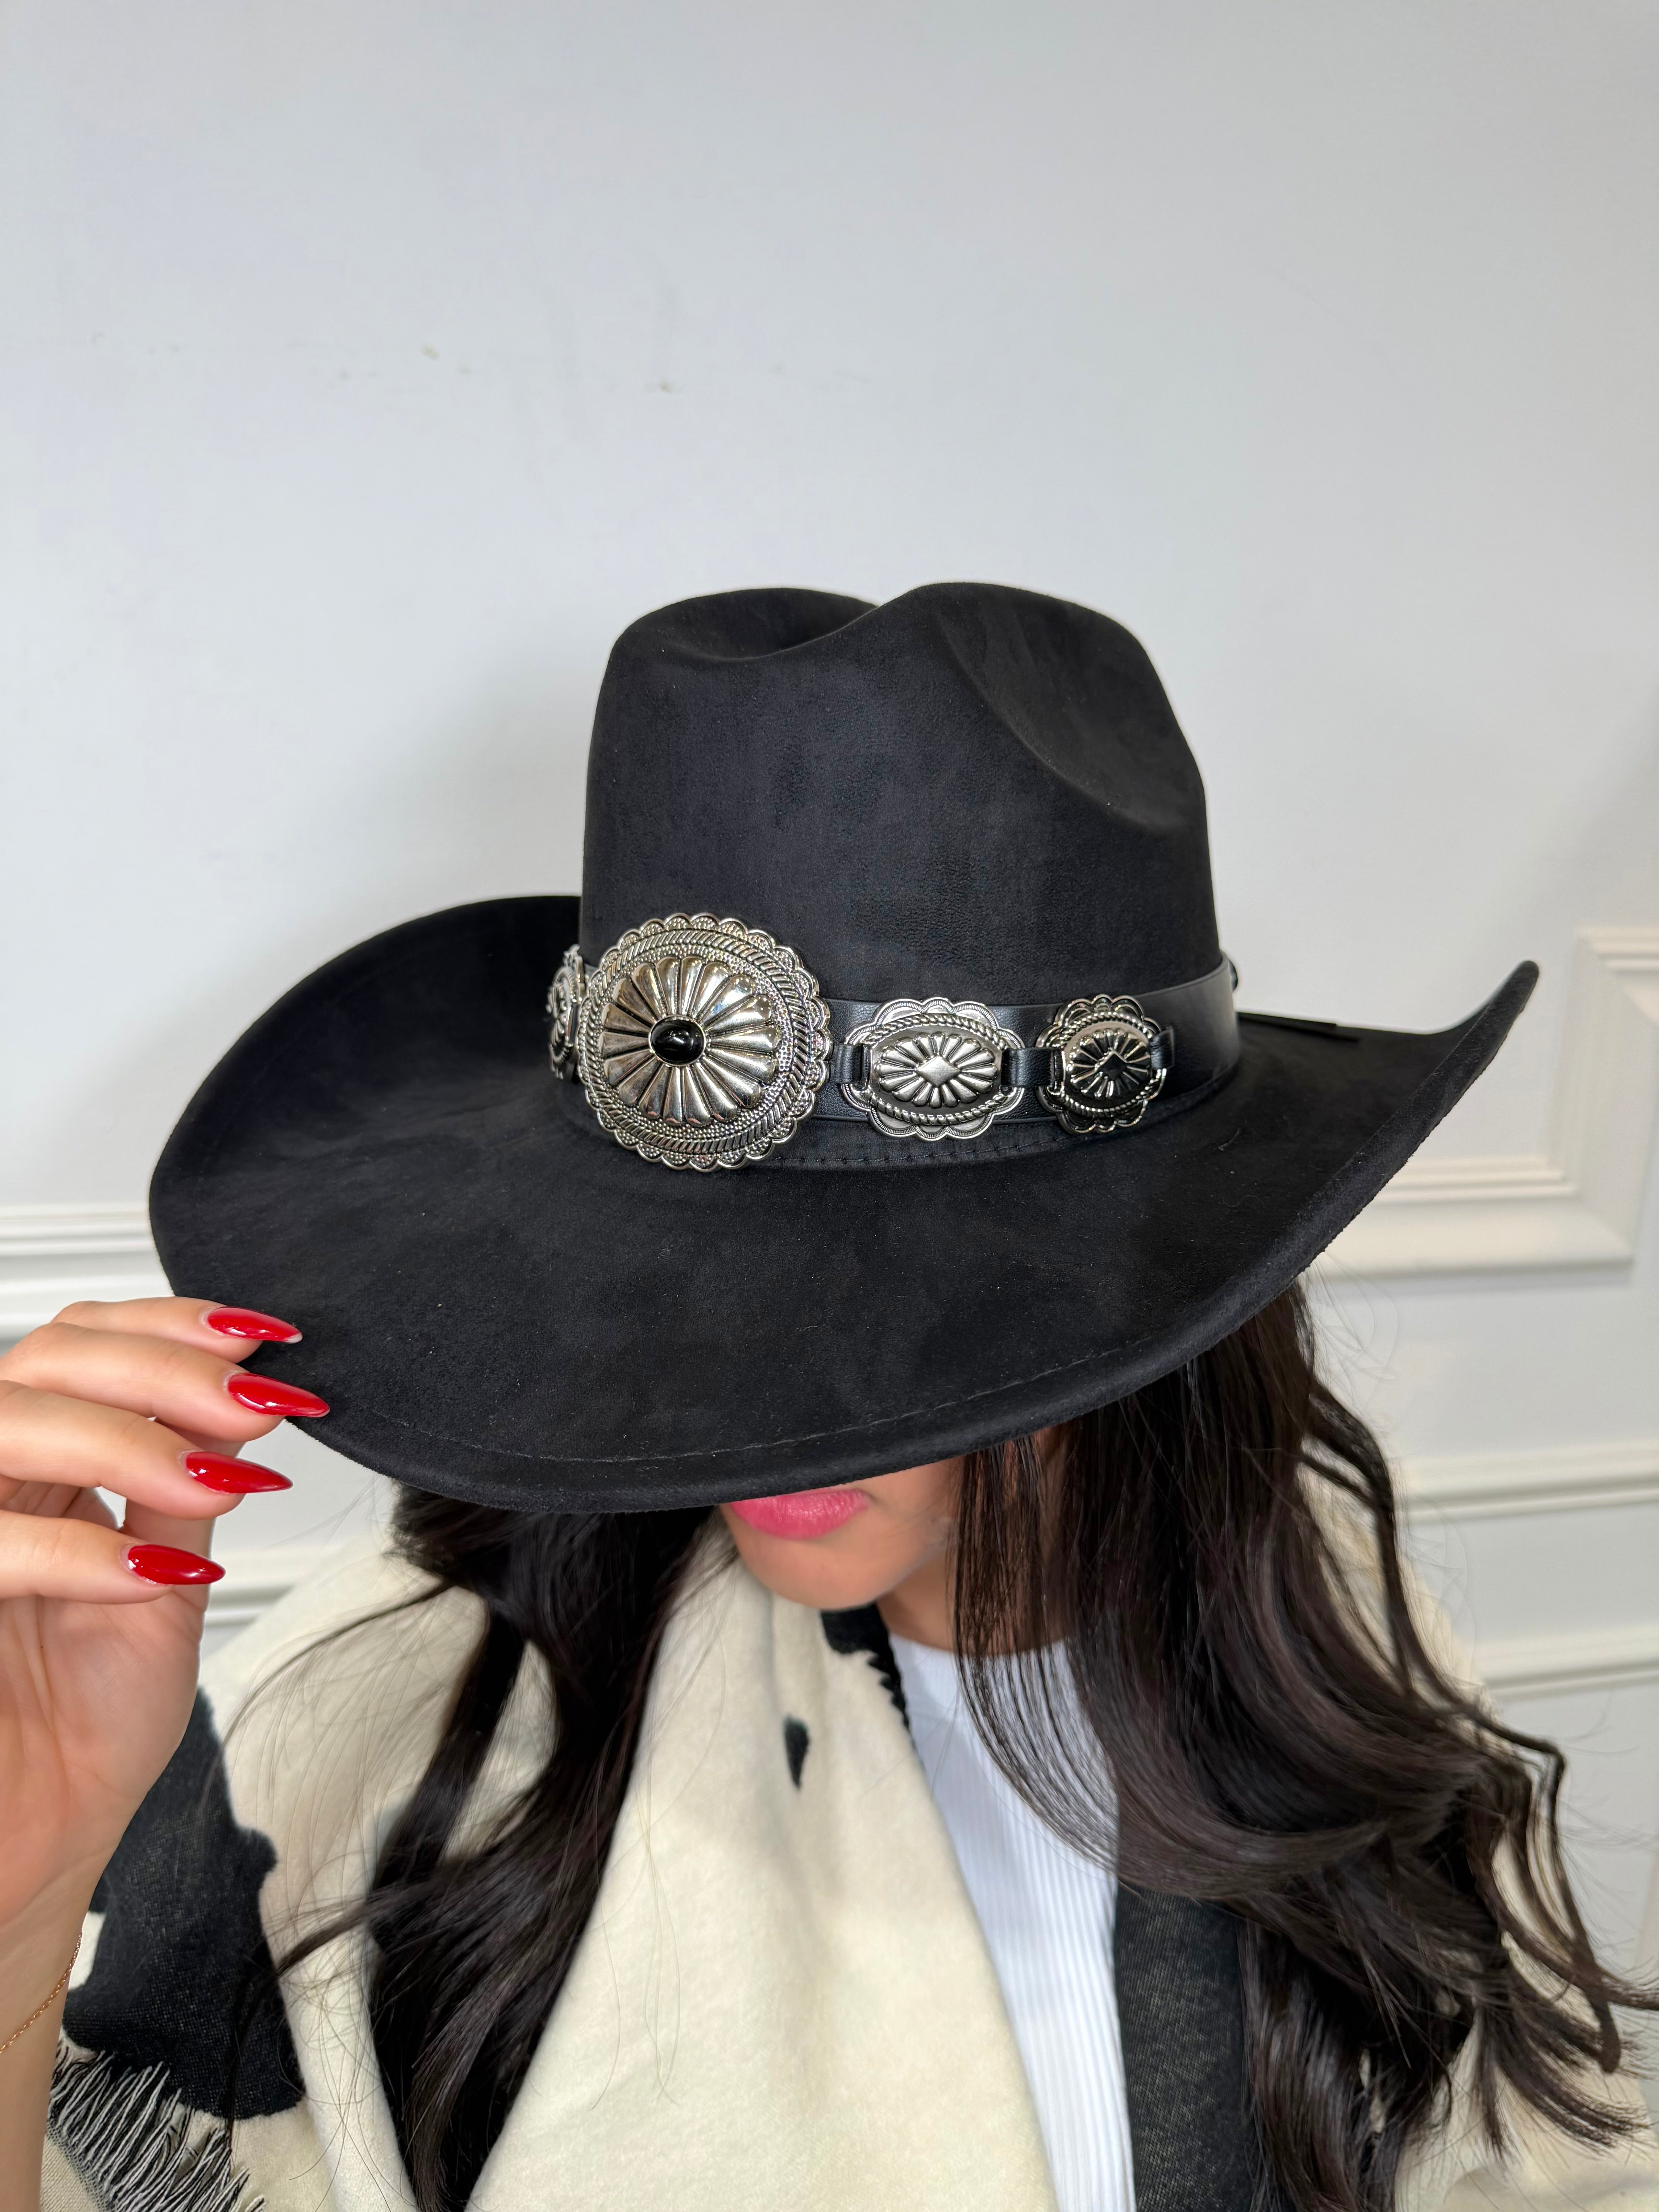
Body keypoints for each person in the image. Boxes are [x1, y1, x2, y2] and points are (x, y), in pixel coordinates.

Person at [2, 584, 1653, 2212]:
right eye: (683, 1272)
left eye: (892, 1306)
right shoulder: (391, 1722)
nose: (757, 1399)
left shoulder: (1328, 1631)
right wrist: (17, 1940)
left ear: (1154, 1293)